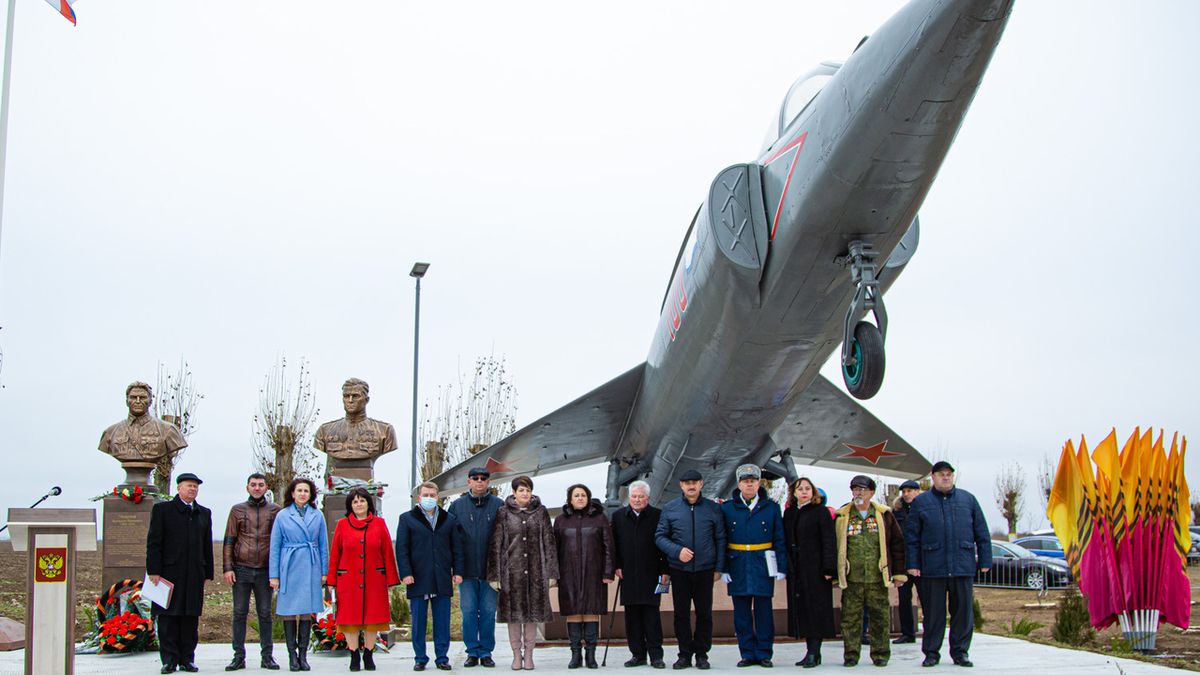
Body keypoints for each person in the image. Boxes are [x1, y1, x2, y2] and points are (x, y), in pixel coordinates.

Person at [905, 462, 992, 668]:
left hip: (962, 564)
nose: (946, 478)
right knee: (934, 614)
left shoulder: (968, 500)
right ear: (933, 478)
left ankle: (960, 652)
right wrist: (913, 564)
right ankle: (932, 653)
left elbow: (982, 532)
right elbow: (912, 537)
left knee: (962, 613)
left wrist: (985, 560)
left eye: (949, 474)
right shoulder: (922, 502)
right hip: (932, 566)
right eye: (941, 475)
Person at [654, 469, 726, 671]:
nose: (691, 486)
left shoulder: (713, 509)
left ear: (701, 484)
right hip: (680, 570)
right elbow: (660, 537)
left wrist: (719, 568)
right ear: (681, 486)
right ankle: (684, 654)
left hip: (705, 570)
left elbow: (720, 539)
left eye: (695, 482)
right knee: (681, 614)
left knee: (705, 614)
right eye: (687, 483)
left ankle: (702, 654)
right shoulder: (670, 508)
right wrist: (677, 552)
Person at [487, 475, 559, 671]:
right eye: (521, 490)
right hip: (511, 573)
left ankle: (529, 654)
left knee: (532, 616)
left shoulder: (541, 512)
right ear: (514, 492)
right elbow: (496, 545)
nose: (525, 493)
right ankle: (516, 654)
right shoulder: (503, 513)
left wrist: (551, 572)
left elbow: (549, 542)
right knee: (513, 616)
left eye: (527, 490)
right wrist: (494, 575)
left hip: (536, 572)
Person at [834, 475, 906, 668]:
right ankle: (851, 655)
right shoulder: (843, 516)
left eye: (862, 490)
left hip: (877, 577)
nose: (859, 493)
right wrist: (835, 574)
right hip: (852, 578)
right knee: (850, 619)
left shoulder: (884, 515)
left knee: (880, 617)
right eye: (855, 490)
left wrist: (898, 574)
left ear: (871, 493)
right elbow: (835, 546)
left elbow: (897, 544)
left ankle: (881, 654)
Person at [147, 472, 214, 674]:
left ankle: (187, 659)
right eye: (188, 486)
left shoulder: (203, 513)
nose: (192, 489)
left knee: (190, 618)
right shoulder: (162, 510)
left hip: (194, 573)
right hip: (168, 573)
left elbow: (206, 545)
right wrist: (154, 570)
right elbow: (154, 542)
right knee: (168, 618)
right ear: (178, 488)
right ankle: (169, 660)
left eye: (195, 486)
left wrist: (207, 573)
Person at [720, 465, 786, 668]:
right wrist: (723, 568)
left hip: (763, 563)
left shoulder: (772, 507)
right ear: (738, 484)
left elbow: (779, 539)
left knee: (764, 613)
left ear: (759, 483)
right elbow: (721, 539)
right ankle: (747, 653)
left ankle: (764, 653)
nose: (749, 484)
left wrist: (781, 566)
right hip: (737, 564)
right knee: (742, 615)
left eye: (753, 481)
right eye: (745, 481)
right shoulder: (727, 508)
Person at [330, 487, 401, 672]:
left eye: (362, 501)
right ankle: (354, 655)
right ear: (350, 506)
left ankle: (368, 654)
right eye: (355, 502)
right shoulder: (342, 525)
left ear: (369, 503)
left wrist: (392, 580)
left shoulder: (379, 523)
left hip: (374, 580)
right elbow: (335, 555)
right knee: (350, 620)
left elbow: (387, 552)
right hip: (349, 580)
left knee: (373, 619)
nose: (359, 504)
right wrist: (331, 582)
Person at [397, 482, 465, 672]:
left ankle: (442, 657)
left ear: (438, 497)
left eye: (432, 495)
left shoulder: (448, 519)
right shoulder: (407, 519)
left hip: (441, 575)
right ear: (419, 498)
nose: (429, 498)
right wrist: (406, 573)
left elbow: (456, 548)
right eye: (425, 494)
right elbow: (402, 549)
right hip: (417, 577)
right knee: (418, 620)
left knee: (442, 620)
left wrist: (458, 571)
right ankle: (420, 657)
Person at [223, 473, 283, 671]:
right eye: (253, 485)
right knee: (239, 613)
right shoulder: (237, 510)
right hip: (241, 569)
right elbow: (229, 540)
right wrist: (228, 567)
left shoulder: (275, 510)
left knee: (265, 614)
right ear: (247, 487)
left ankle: (267, 657)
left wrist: (278, 571)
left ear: (267, 488)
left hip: (266, 570)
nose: (257, 488)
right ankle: (238, 656)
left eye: (260, 485)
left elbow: (280, 541)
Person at [553, 484, 616, 669]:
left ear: (588, 498)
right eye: (576, 495)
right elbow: (554, 550)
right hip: (568, 574)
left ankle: (590, 655)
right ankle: (575, 655)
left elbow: (608, 548)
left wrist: (608, 572)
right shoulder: (560, 520)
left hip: (593, 573)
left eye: (583, 495)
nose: (580, 498)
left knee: (590, 612)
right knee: (573, 612)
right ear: (569, 499)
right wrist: (555, 575)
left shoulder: (600, 518)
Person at [269, 477, 329, 672]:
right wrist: (274, 575)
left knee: (306, 611)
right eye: (299, 490)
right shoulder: (283, 515)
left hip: (311, 565)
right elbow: (275, 546)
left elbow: (323, 545)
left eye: (306, 491)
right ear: (292, 494)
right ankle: (291, 655)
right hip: (290, 564)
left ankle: (303, 655)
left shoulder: (317, 515)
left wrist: (323, 572)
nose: (302, 494)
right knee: (288, 611)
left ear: (311, 495)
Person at [449, 467, 504, 668]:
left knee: (489, 613)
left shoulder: (499, 506)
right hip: (466, 572)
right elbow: (451, 541)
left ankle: (486, 651)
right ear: (469, 482)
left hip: (490, 572)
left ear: (489, 482)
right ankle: (472, 652)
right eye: (475, 478)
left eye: (483, 478)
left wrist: (499, 569)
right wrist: (456, 570)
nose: (479, 481)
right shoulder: (457, 507)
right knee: (469, 612)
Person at [610, 481, 669, 669]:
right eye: (634, 496)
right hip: (628, 574)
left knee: (652, 617)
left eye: (641, 496)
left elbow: (665, 545)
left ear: (648, 498)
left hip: (651, 573)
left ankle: (656, 656)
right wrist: (617, 565)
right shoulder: (618, 516)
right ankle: (637, 654)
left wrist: (665, 570)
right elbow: (614, 545)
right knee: (632, 618)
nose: (637, 500)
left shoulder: (659, 516)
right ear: (629, 498)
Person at [783, 477, 835, 668]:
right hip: (797, 569)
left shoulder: (820, 512)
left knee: (816, 610)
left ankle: (814, 652)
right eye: (800, 489)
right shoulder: (789, 513)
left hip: (816, 569)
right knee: (803, 609)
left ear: (813, 492)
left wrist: (829, 567)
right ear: (794, 493)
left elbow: (829, 540)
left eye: (807, 488)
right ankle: (810, 651)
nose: (804, 492)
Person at [99, 381, 186, 462]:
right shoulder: (111, 432)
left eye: (142, 398)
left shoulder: (168, 430)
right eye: (133, 397)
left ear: (150, 402)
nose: (138, 401)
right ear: (127, 401)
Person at [891, 479, 923, 645]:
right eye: (904, 491)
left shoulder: (925, 507)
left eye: (910, 491)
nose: (906, 494)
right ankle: (907, 633)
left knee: (926, 598)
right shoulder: (897, 511)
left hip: (922, 562)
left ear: (917, 492)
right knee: (904, 599)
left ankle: (930, 631)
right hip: (903, 562)